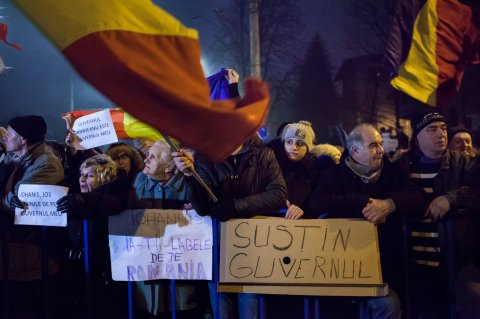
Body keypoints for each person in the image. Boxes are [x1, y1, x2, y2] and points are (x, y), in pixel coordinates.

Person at [308, 123, 425, 319]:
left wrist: (391, 203)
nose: (380, 150)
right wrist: (358, 201)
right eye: (373, 145)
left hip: (385, 267)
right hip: (342, 268)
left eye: (380, 144)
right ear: (355, 150)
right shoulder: (334, 175)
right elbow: (317, 203)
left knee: (390, 306)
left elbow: (418, 196)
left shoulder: (391, 172)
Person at [173, 135, 288, 319]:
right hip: (218, 250)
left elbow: (279, 193)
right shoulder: (205, 157)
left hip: (254, 250)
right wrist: (190, 177)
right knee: (222, 311)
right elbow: (202, 207)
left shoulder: (263, 155)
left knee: (250, 309)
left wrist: (236, 205)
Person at [396, 111, 474, 318]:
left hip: (455, 263)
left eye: (444, 128)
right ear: (417, 136)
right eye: (432, 129)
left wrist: (451, 198)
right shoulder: (401, 167)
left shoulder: (463, 163)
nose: (441, 134)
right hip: (412, 264)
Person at [0, 115, 64, 318]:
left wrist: (5, 198)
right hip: (13, 248)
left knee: (26, 305)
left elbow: (20, 203)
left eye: (10, 134)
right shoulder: (13, 157)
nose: (5, 137)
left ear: (23, 140)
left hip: (32, 250)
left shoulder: (47, 163)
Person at [56, 153, 128, 318]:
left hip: (100, 271)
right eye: (81, 174)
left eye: (89, 175)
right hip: (75, 268)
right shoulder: (74, 198)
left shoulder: (113, 196)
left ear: (103, 177)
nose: (82, 179)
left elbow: (111, 204)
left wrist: (84, 200)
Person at [267, 120, 334, 219]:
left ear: (308, 148)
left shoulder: (318, 171)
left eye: (300, 143)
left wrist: (304, 211)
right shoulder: (270, 166)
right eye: (289, 142)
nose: (293, 147)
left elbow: (318, 202)